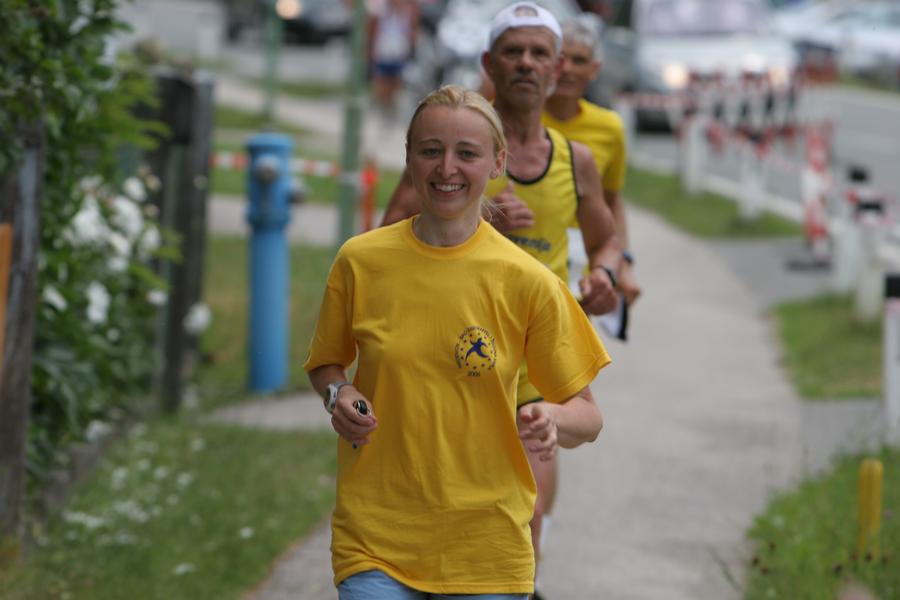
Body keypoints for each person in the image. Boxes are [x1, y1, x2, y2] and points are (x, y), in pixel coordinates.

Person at [305, 84, 609, 599]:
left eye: (467, 153)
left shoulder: (528, 281)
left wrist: (553, 418)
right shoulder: (361, 261)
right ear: (410, 158)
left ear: (497, 163)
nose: (447, 168)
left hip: (485, 546)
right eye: (431, 150)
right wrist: (339, 393)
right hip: (376, 535)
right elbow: (325, 363)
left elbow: (589, 417)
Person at [380, 4, 621, 592]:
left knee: (528, 511)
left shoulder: (575, 160)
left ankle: (519, 582)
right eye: (513, 52)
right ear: (490, 63)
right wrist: (474, 214)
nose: (526, 64)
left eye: (540, 54)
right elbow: (386, 234)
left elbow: (606, 239)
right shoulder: (453, 147)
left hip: (536, 353)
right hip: (454, 346)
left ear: (558, 68)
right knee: (449, 504)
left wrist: (605, 275)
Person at [543, 19, 641, 307]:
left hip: (584, 260)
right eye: (561, 58)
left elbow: (612, 201)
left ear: (594, 69)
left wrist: (623, 263)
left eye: (579, 60)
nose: (568, 69)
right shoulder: (515, 119)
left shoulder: (609, 127)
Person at [366, 0, 420, 122]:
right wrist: (370, 50)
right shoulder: (381, 11)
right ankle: (382, 110)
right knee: (382, 84)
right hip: (383, 52)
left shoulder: (408, 11)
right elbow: (372, 30)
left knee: (395, 84)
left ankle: (390, 111)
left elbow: (413, 30)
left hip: (399, 53)